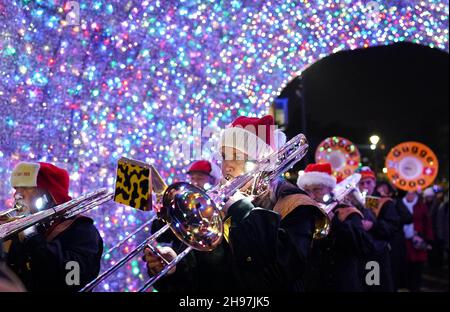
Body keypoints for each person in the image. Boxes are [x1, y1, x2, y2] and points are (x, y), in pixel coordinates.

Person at [144, 115, 319, 291]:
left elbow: (282, 272)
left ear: (262, 162)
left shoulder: (295, 205)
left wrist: (241, 209)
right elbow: (201, 278)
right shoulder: (214, 203)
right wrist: (173, 268)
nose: (228, 165)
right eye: (225, 156)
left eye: (237, 156)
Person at [5, 162, 103, 292]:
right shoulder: (22, 228)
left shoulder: (82, 230)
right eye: (16, 188)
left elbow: (72, 279)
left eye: (26, 187)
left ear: (49, 194)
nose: (17, 195)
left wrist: (33, 239)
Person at [297, 163, 374, 291]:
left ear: (329, 189)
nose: (311, 196)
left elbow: (364, 246)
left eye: (317, 189)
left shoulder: (347, 212)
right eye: (307, 191)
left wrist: (335, 221)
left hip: (342, 283)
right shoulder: (303, 212)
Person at [357, 166, 399, 292]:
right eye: (362, 183)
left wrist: (373, 226)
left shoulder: (384, 202)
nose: (365, 186)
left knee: (374, 285)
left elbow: (392, 227)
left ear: (374, 183)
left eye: (368, 182)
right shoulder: (355, 202)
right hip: (360, 253)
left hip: (376, 255)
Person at [402, 191, 433, 292]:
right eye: (408, 193)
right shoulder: (400, 204)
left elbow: (427, 223)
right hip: (404, 242)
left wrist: (427, 238)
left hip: (418, 242)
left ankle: (415, 287)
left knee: (417, 268)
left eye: (412, 194)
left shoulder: (421, 206)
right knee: (405, 268)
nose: (410, 195)